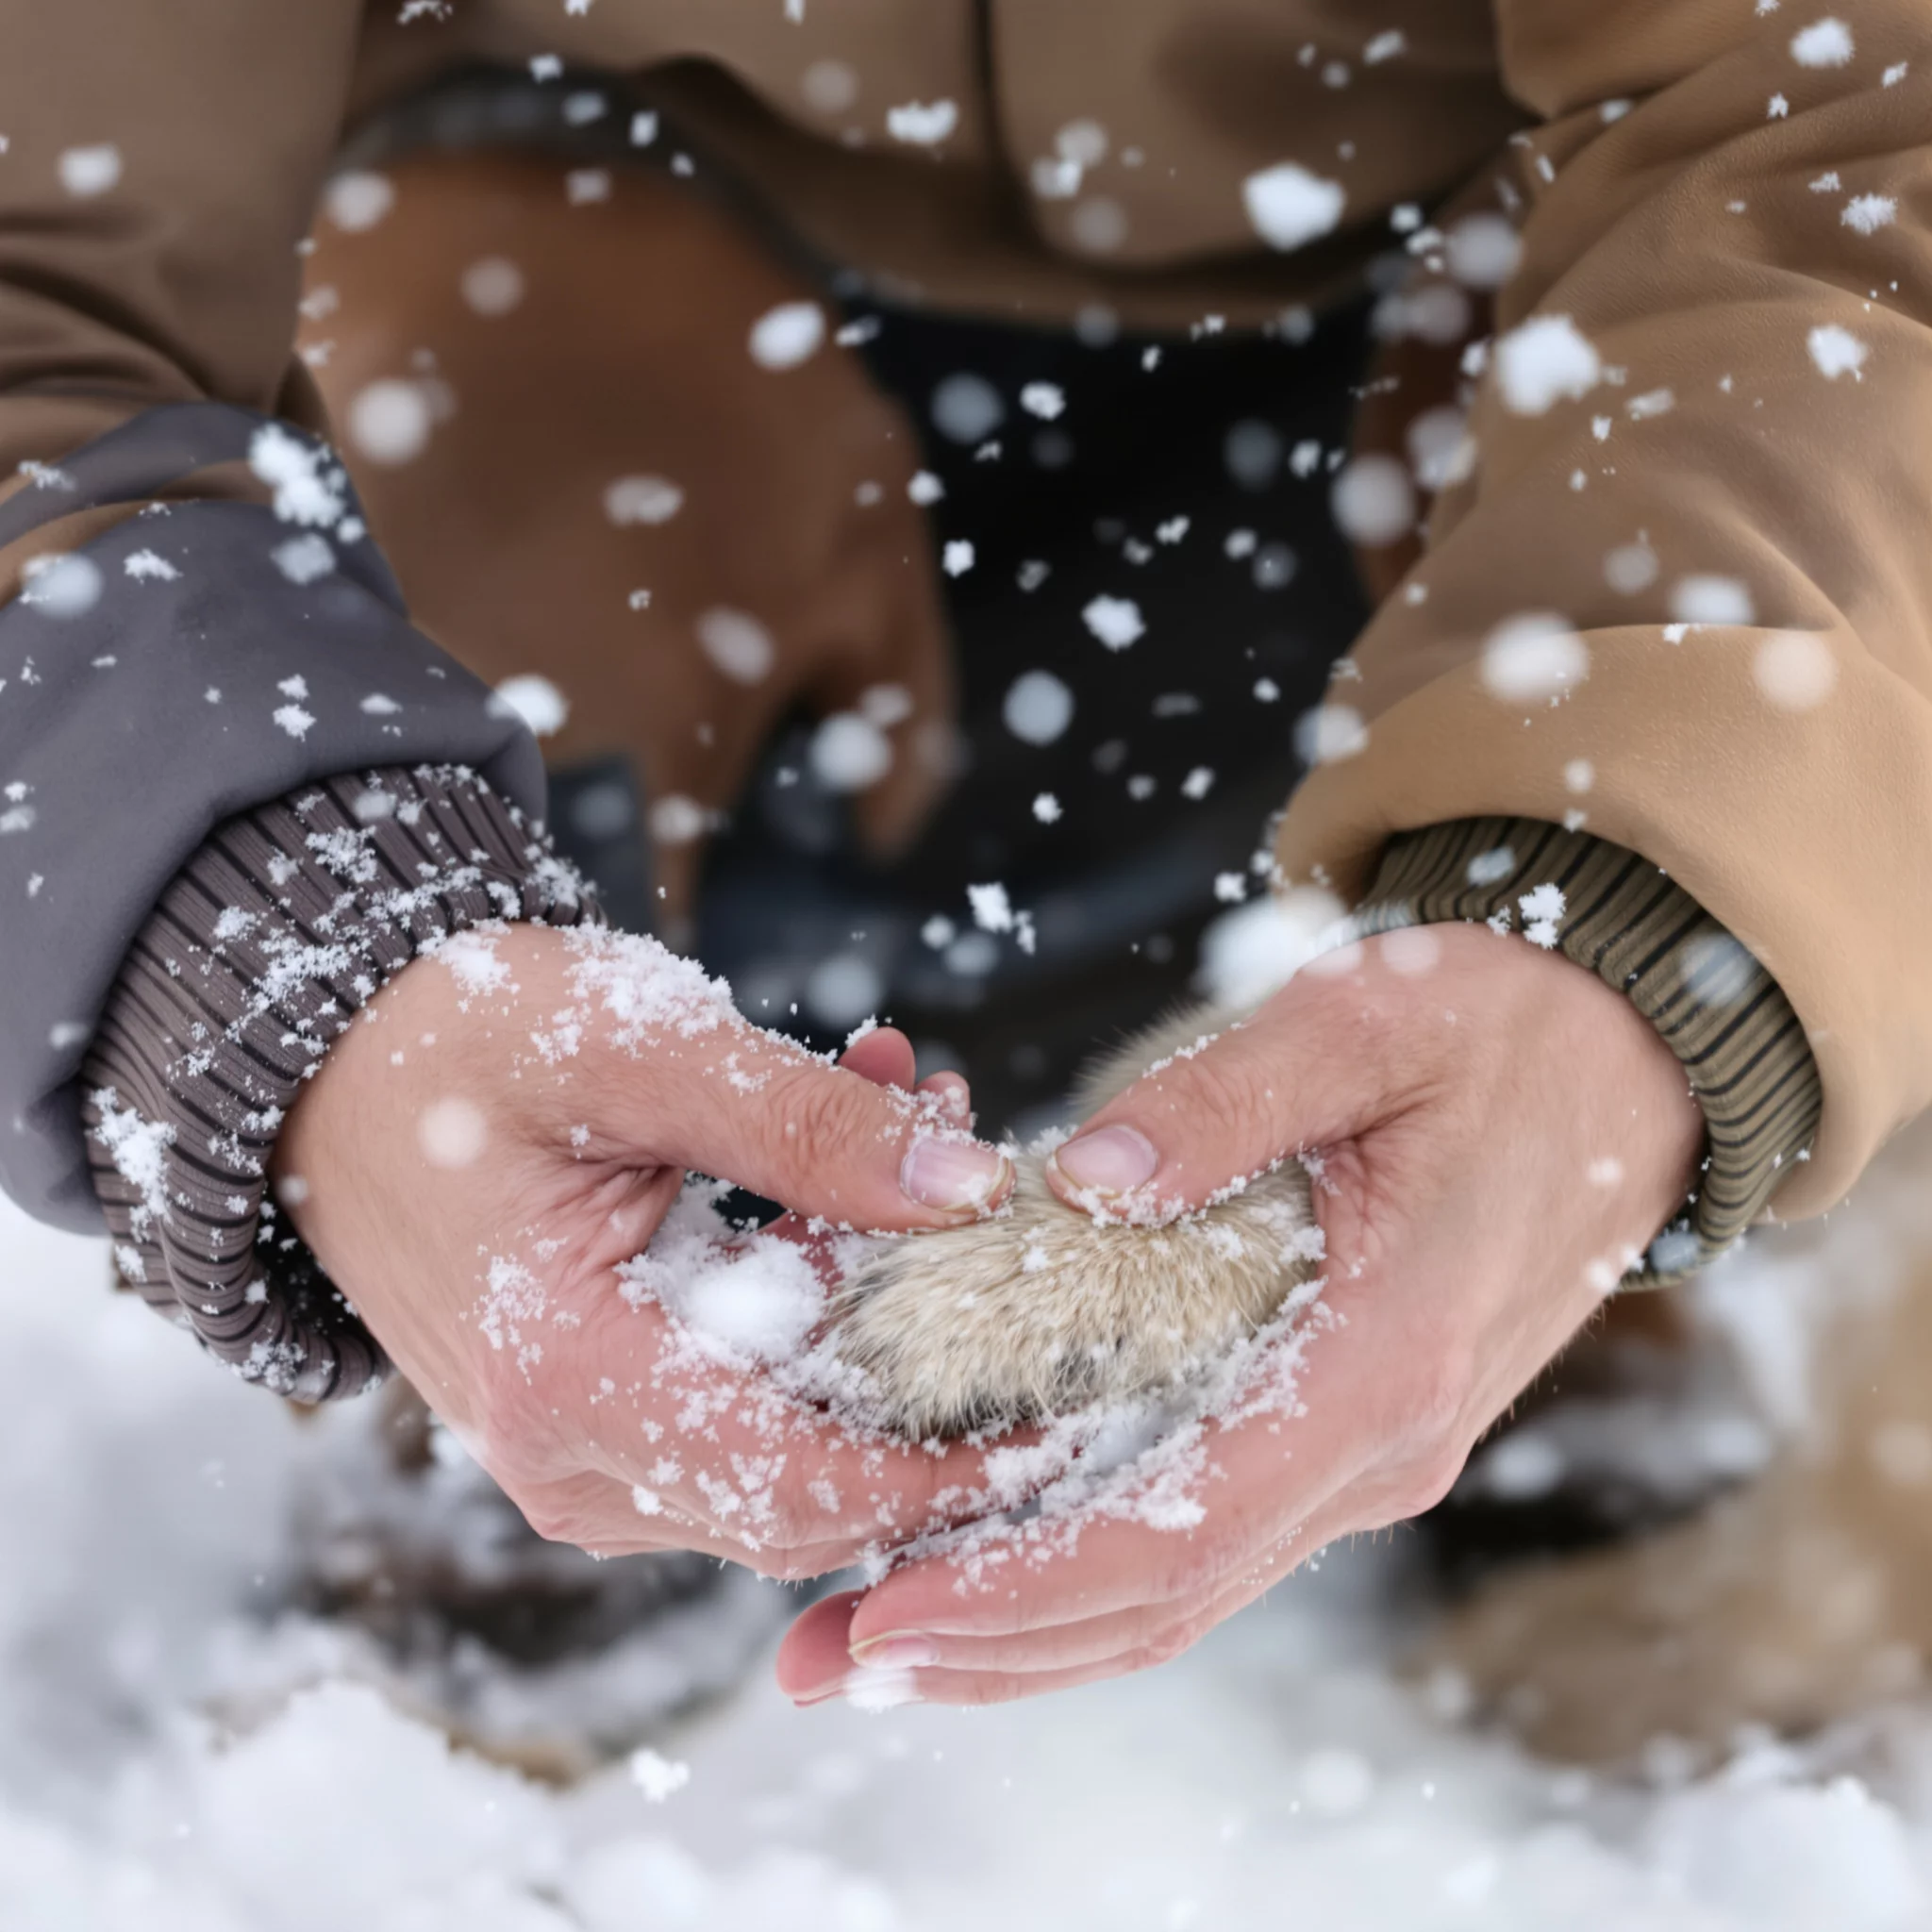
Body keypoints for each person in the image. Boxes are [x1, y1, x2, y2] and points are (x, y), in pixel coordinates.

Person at [0, 2, 1917, 1714]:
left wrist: (1636, 920)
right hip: (560, 245)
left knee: (1750, 588)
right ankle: (523, 1302)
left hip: (1503, 293)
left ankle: (1567, 1234)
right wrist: (284, 941)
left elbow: (1863, 129)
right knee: (513, 410)